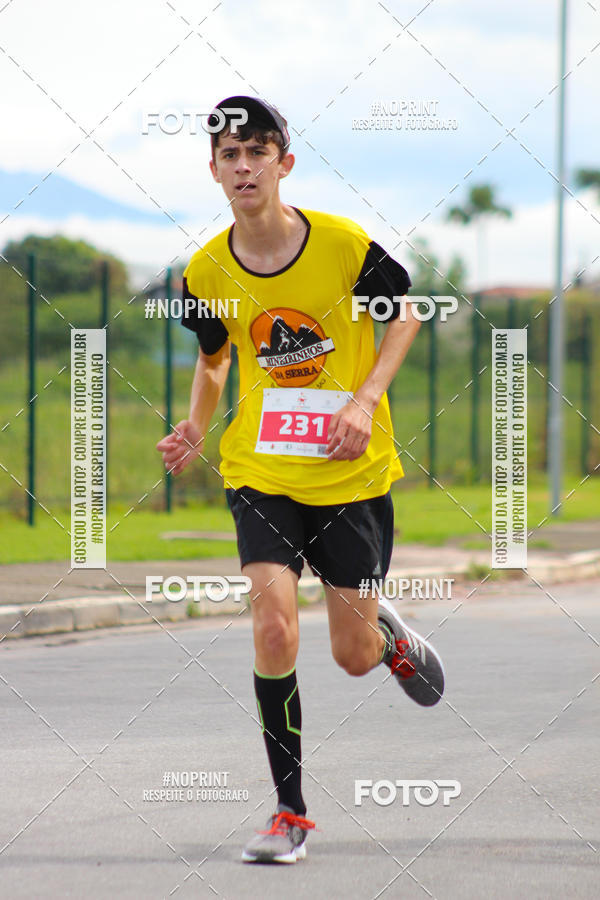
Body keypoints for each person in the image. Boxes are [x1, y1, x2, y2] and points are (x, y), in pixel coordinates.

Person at [156, 95, 445, 865]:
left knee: (348, 655)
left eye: (257, 151)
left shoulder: (345, 245)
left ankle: (384, 634)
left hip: (350, 473)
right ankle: (290, 814)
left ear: (284, 162)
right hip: (261, 472)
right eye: (229, 154)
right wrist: (195, 424)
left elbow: (405, 315)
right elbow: (216, 358)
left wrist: (365, 397)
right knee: (273, 625)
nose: (243, 165)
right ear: (214, 171)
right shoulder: (206, 269)